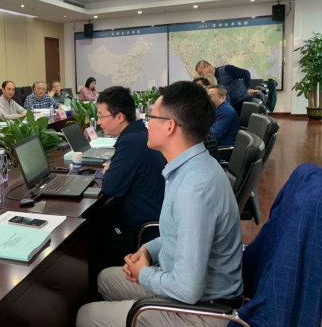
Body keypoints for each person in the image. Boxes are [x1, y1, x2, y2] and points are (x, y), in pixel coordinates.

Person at [77, 81, 243, 327]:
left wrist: (144, 273)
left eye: (151, 117)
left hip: (201, 310)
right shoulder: (188, 166)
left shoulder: (194, 189)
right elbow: (177, 234)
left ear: (169, 126)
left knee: (85, 315)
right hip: (181, 282)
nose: (146, 124)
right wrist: (147, 250)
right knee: (104, 279)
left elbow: (187, 290)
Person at [90, 86, 166, 275]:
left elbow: (110, 188)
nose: (99, 122)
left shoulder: (131, 142)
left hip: (142, 229)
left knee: (89, 236)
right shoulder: (138, 134)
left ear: (119, 117)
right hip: (152, 215)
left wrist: (109, 172)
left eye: (101, 116)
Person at [208, 85, 241, 157]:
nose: (207, 99)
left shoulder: (226, 110)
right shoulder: (217, 108)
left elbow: (216, 135)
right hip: (217, 144)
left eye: (211, 96)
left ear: (223, 98)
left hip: (225, 149)